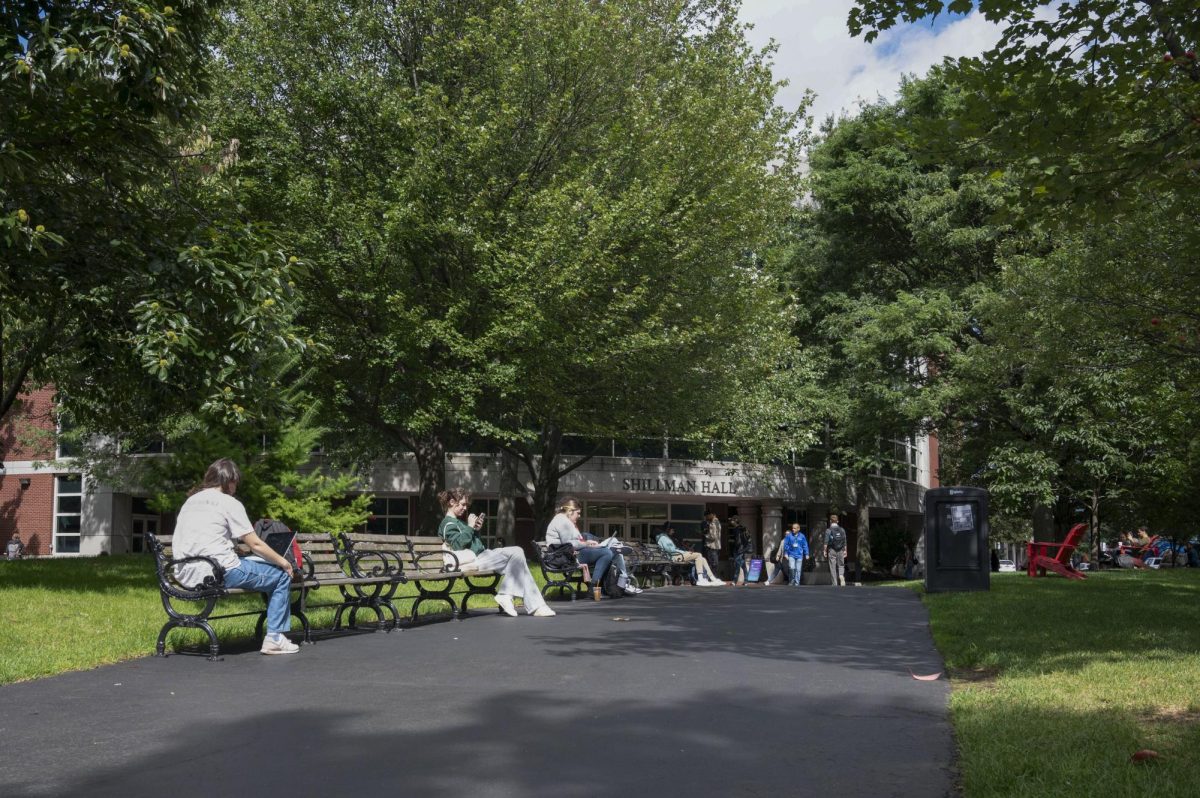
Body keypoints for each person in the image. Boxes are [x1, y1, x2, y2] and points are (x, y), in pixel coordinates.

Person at [172, 458, 300, 655]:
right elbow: (255, 543)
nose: (235, 487)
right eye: (235, 482)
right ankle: (274, 638)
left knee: (260, 566)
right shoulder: (229, 502)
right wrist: (284, 562)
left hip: (184, 573)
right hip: (217, 572)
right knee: (281, 575)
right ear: (229, 480)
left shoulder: (191, 500)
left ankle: (275, 634)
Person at [438, 487, 555, 617]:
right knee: (516, 552)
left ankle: (524, 601)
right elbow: (458, 545)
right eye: (463, 504)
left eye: (466, 505)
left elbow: (470, 542)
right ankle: (524, 601)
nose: (465, 508)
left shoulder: (459, 522)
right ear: (451, 502)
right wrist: (470, 527)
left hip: (482, 556)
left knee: (517, 555)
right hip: (474, 561)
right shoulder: (447, 524)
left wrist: (475, 529)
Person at [545, 497, 641, 598]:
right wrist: (586, 543)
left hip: (569, 554)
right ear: (570, 511)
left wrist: (589, 544)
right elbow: (569, 544)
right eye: (578, 513)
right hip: (566, 557)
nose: (579, 516)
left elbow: (572, 543)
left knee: (610, 551)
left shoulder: (564, 520)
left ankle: (616, 583)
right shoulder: (563, 521)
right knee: (607, 553)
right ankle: (596, 587)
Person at [655, 523, 725, 585]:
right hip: (676, 556)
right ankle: (700, 579)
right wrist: (685, 552)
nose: (673, 531)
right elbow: (671, 551)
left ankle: (712, 578)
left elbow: (673, 550)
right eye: (672, 530)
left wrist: (685, 552)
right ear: (667, 530)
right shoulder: (663, 538)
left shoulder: (665, 538)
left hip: (678, 554)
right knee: (698, 555)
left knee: (702, 558)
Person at [824, 514, 848, 587]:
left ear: (830, 521)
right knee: (841, 565)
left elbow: (826, 542)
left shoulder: (828, 530)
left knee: (832, 566)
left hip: (832, 550)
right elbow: (844, 541)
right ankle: (841, 575)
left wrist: (824, 551)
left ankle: (834, 583)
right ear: (837, 521)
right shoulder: (842, 529)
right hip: (841, 549)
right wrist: (845, 550)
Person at [729, 516, 752, 585]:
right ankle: (746, 581)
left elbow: (738, 540)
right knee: (743, 565)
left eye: (732, 520)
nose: (731, 522)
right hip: (742, 549)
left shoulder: (737, 529)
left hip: (739, 549)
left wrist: (736, 547)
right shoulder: (742, 528)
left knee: (737, 565)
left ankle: (735, 581)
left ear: (735, 521)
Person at [703, 512, 722, 577]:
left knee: (712, 563)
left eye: (706, 516)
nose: (706, 518)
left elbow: (713, 537)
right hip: (717, 546)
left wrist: (705, 535)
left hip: (712, 546)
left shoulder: (712, 523)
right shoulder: (717, 522)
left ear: (710, 515)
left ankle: (712, 577)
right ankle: (713, 576)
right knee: (714, 563)